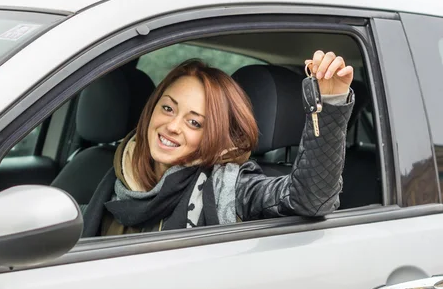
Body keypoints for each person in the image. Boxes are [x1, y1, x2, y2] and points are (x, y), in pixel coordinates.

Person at [83, 50, 354, 237]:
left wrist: (327, 106)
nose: (173, 126)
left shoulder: (229, 187)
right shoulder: (115, 176)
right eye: (168, 108)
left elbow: (310, 199)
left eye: (195, 123)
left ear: (213, 136)